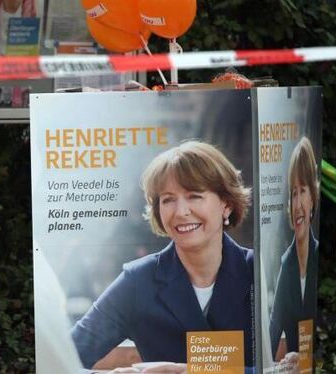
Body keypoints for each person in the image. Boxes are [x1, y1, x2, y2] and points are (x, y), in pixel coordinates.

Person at [71, 140, 255, 370]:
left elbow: (288, 368)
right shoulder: (138, 281)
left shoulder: (255, 271)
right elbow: (64, 359)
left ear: (226, 204)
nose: (181, 212)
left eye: (194, 196)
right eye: (168, 199)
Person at [269, 137, 319, 362]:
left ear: (313, 198)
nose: (297, 203)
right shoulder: (287, 263)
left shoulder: (318, 256)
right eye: (293, 193)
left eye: (303, 191)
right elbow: (273, 327)